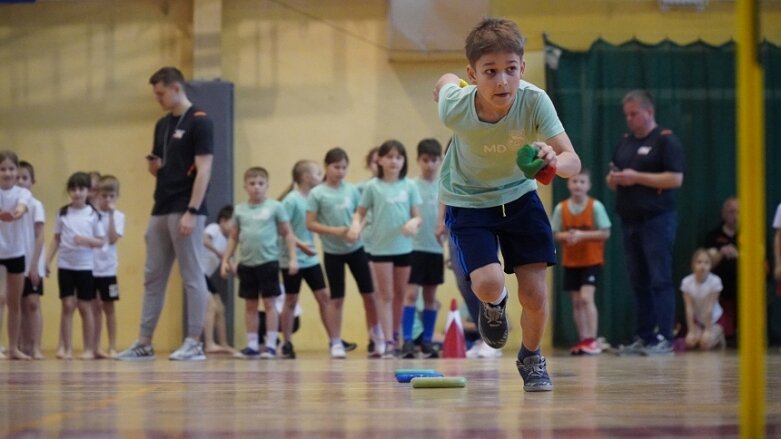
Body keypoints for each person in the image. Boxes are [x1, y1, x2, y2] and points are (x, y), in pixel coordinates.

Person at [433, 18, 580, 391]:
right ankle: (493, 305)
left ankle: (531, 357)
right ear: (473, 73)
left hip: (518, 196)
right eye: (490, 72)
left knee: (534, 293)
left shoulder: (534, 100)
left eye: (510, 70)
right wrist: (446, 85)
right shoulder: (455, 107)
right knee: (487, 281)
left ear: (522, 68)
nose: (502, 81)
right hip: (468, 200)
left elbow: (572, 161)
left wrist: (552, 160)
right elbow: (445, 82)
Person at [117, 67, 213, 362]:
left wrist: (193, 211)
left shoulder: (200, 121)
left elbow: (204, 168)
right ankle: (144, 342)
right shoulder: (161, 124)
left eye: (160, 93)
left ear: (175, 88)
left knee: (192, 276)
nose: (157, 98)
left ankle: (194, 342)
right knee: (152, 277)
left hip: (185, 208)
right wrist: (155, 166)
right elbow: (160, 159)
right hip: (161, 206)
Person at [607, 89, 684, 356]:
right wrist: (614, 179)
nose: (629, 119)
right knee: (638, 281)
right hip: (630, 220)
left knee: (659, 279)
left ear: (649, 112)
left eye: (634, 113)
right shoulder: (624, 142)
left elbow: (675, 179)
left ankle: (665, 336)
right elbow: (615, 173)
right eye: (626, 115)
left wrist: (636, 177)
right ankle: (644, 336)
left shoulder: (665, 141)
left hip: (657, 220)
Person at [349, 139, 422, 359]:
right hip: (380, 249)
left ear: (404, 161)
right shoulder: (372, 187)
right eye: (389, 156)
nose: (394, 161)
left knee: (400, 294)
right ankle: (387, 342)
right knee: (385, 294)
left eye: (398, 157)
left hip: (404, 247)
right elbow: (360, 212)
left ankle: (396, 336)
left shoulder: (409, 185)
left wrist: (414, 223)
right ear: (379, 160)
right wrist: (354, 225)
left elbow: (418, 216)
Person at [306, 147, 381, 358]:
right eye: (336, 167)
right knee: (336, 298)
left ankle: (376, 337)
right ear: (326, 167)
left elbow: (362, 214)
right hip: (333, 253)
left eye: (344, 167)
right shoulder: (317, 193)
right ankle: (336, 341)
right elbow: (310, 223)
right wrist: (335, 231)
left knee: (370, 295)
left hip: (356, 249)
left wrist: (357, 229)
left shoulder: (352, 190)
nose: (340, 171)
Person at [221, 167, 298, 359]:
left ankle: (271, 345)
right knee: (250, 305)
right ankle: (252, 345)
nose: (256, 187)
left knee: (270, 303)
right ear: (245, 187)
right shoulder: (239, 210)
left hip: (268, 262)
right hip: (247, 264)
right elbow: (233, 237)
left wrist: (293, 258)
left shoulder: (275, 207)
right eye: (252, 184)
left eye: (261, 184)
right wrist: (226, 260)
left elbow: (287, 233)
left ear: (267, 186)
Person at [278, 160, 337, 359]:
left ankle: (334, 341)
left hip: (310, 260)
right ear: (306, 177)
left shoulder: (313, 199)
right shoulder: (292, 200)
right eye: (318, 173)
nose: (322, 176)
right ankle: (287, 343)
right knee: (291, 300)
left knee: (324, 297)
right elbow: (282, 229)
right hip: (291, 259)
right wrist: (301, 245)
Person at [46, 172, 106, 360]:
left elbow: (101, 241)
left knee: (84, 306)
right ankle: (67, 348)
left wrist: (85, 240)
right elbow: (56, 239)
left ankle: (88, 348)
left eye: (81, 189)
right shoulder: (63, 213)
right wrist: (47, 261)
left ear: (88, 191)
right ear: (69, 192)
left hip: (85, 266)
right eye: (73, 189)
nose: (77, 193)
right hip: (65, 265)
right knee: (67, 304)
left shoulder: (93, 215)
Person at [551, 168, 611, 355]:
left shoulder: (596, 206)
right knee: (576, 302)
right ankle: (583, 339)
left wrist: (582, 235)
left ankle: (592, 340)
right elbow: (555, 233)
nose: (578, 185)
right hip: (571, 261)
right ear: (569, 184)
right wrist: (567, 236)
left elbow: (605, 232)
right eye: (575, 181)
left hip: (591, 260)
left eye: (582, 182)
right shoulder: (561, 208)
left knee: (586, 299)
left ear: (589, 185)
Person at [400, 138, 444, 359]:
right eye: (425, 160)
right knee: (410, 294)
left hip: (435, 250)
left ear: (440, 160)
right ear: (418, 160)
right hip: (413, 249)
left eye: (434, 160)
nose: (429, 165)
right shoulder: (410, 186)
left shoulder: (444, 186)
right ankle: (407, 340)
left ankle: (426, 341)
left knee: (430, 297)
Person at [0, 151, 34, 360]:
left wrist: (15, 214)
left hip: (16, 251)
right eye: (2, 169)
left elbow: (21, 209)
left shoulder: (23, 193)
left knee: (15, 302)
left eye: (11, 169)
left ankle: (13, 347)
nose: (7, 173)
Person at [92, 175, 125, 358]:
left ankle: (112, 346)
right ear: (98, 195)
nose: (108, 200)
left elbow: (112, 238)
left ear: (117, 196)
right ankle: (96, 346)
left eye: (111, 196)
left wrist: (111, 215)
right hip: (91, 267)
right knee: (94, 306)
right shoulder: (91, 215)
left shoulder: (119, 216)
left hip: (108, 269)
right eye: (104, 196)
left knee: (109, 307)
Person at [17, 160, 46, 359]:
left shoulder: (36, 205)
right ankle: (20, 346)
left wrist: (34, 264)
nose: (20, 181)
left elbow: (40, 235)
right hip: (15, 261)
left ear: (32, 181)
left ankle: (35, 346)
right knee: (17, 305)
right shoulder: (9, 206)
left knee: (33, 304)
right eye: (17, 177)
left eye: (24, 177)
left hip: (33, 261)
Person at [201, 204, 235, 354]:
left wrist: (230, 269)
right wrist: (222, 256)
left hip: (206, 276)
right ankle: (209, 344)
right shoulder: (214, 228)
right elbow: (205, 241)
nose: (234, 226)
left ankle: (223, 343)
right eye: (232, 222)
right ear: (222, 221)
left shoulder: (229, 242)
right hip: (197, 272)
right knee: (211, 306)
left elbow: (230, 266)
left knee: (220, 308)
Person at [704, 197, 738, 344]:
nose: (735, 216)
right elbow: (705, 264)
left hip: (744, 287)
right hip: (719, 287)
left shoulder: (752, 235)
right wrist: (721, 253)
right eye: (731, 212)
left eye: (739, 212)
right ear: (723, 214)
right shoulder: (713, 236)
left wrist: (740, 254)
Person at [680, 249, 725, 350]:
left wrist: (708, 331)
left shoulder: (715, 281)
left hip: (715, 320)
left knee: (706, 344)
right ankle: (700, 333)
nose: (702, 266)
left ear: (710, 266)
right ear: (693, 264)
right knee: (690, 343)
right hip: (699, 321)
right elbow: (689, 309)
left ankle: (719, 334)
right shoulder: (686, 282)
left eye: (706, 263)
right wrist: (691, 331)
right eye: (699, 262)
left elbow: (709, 308)